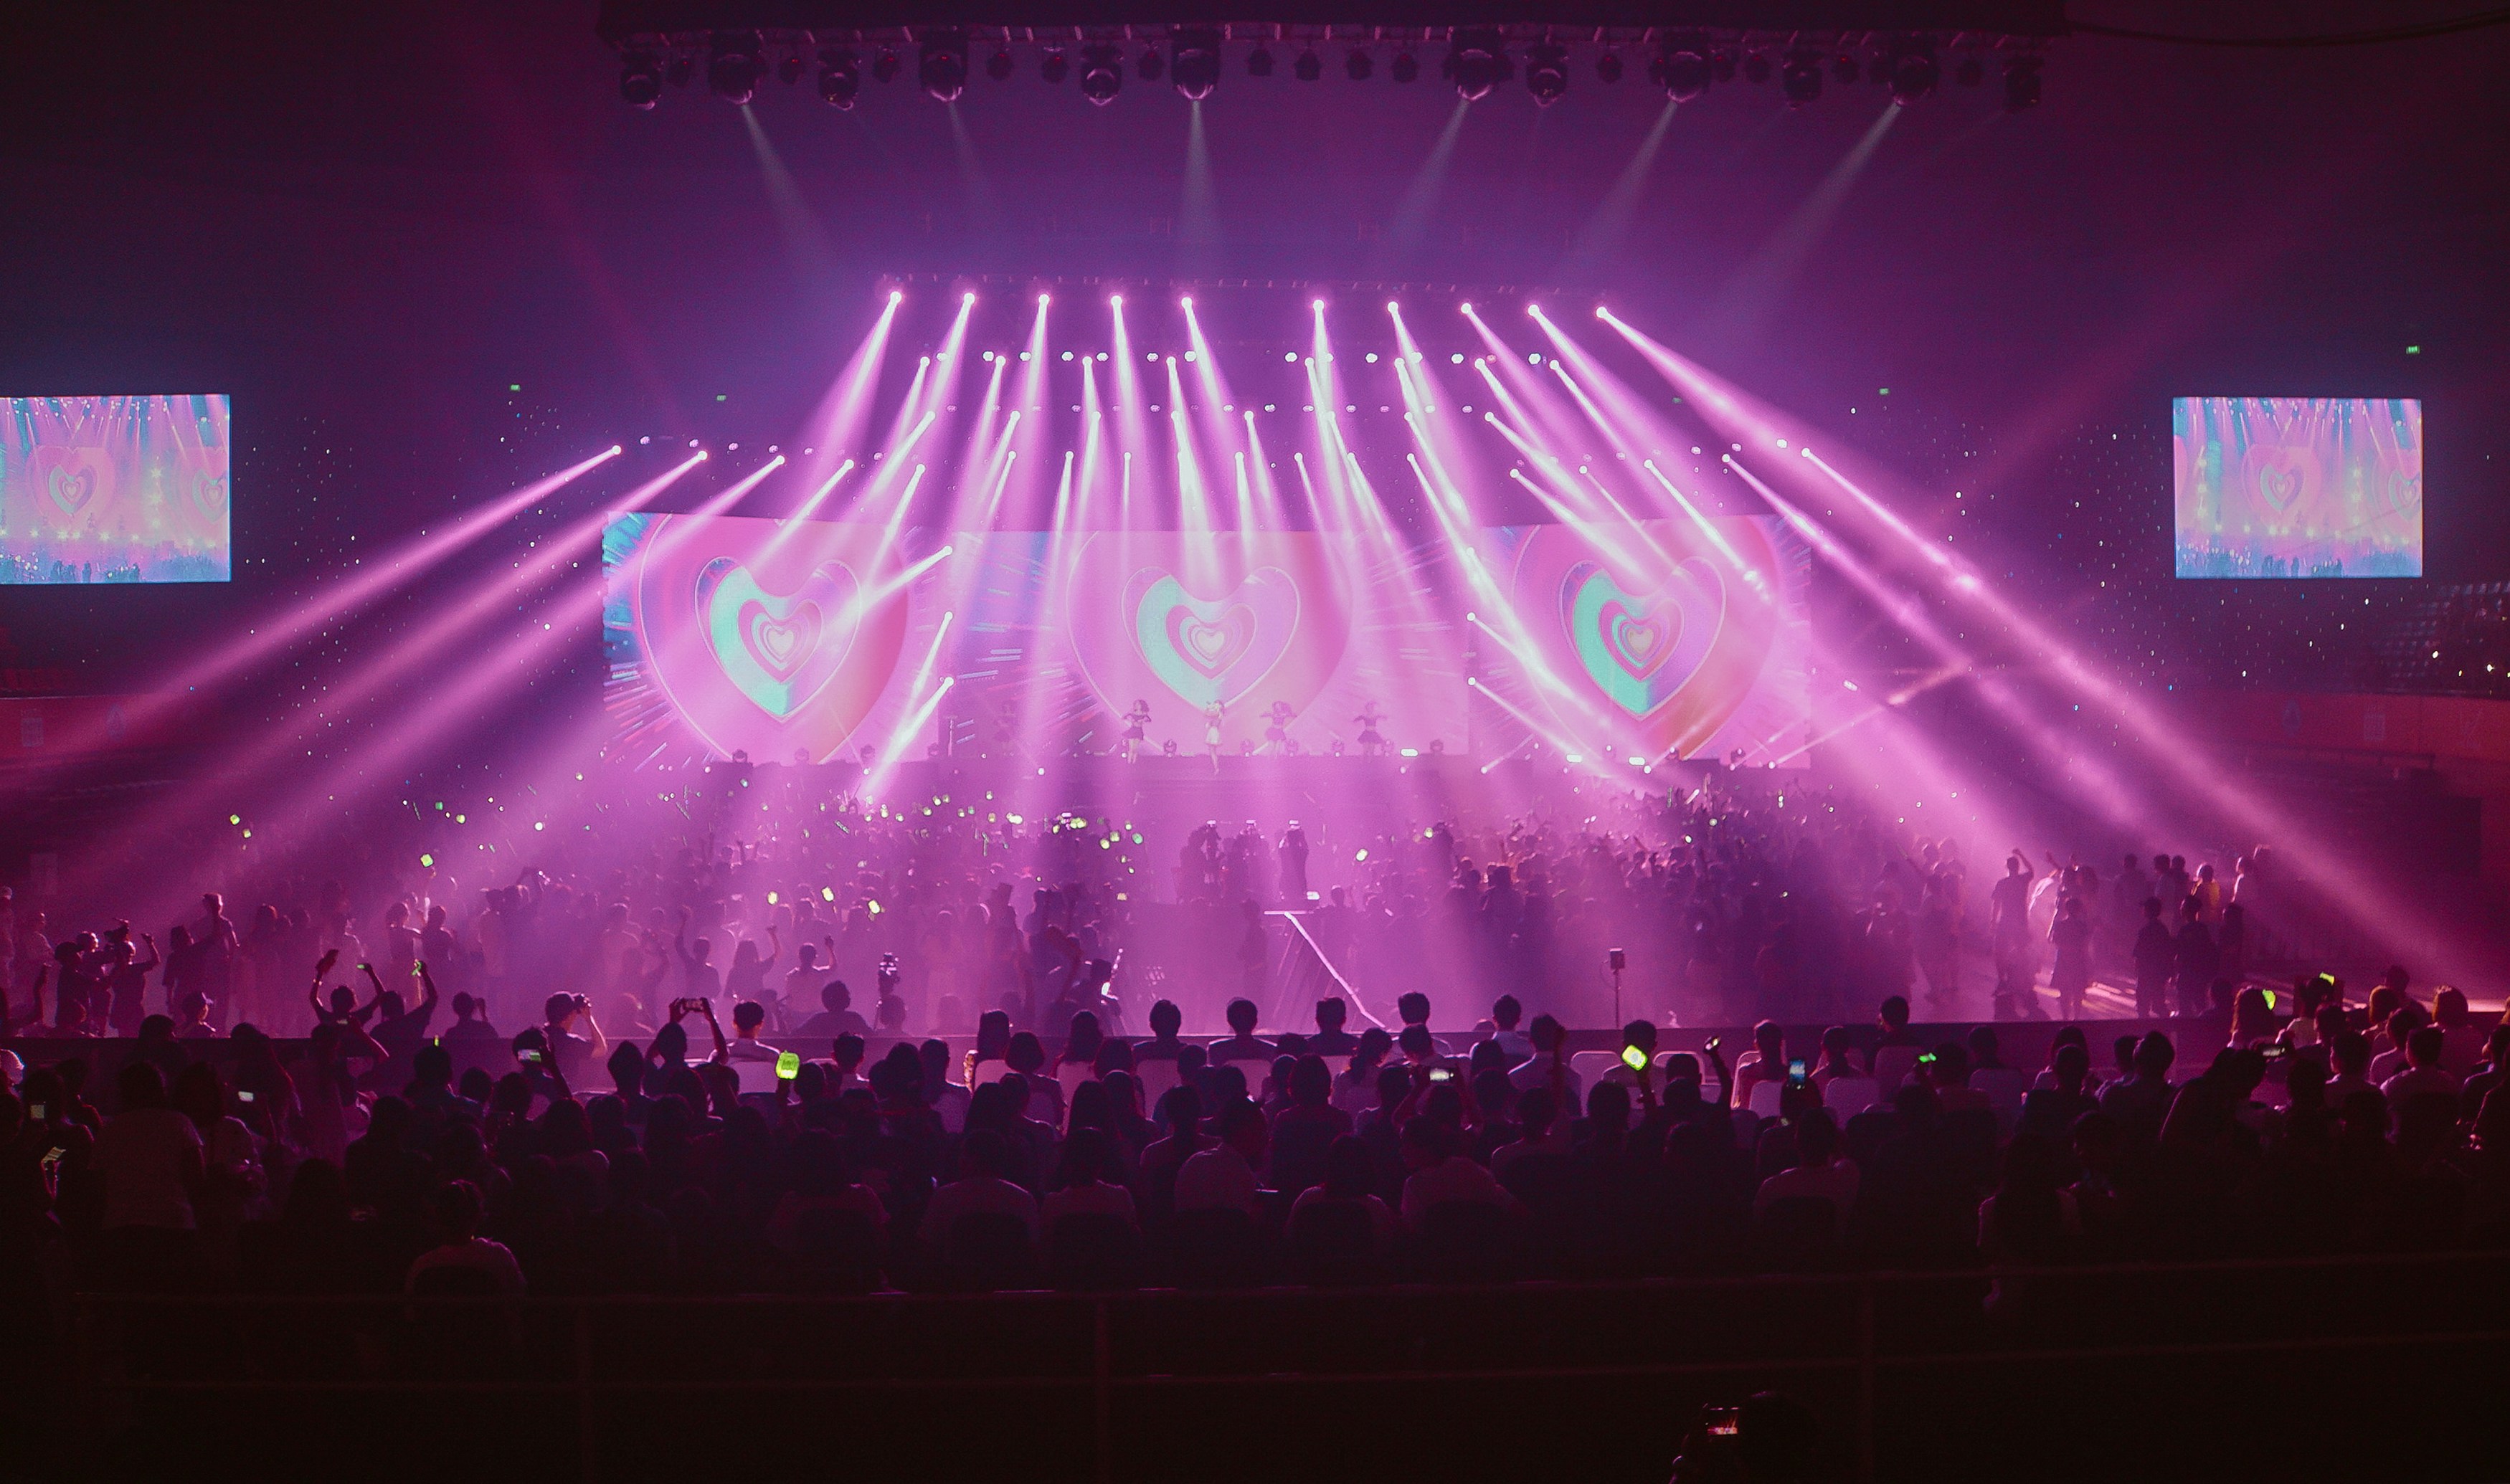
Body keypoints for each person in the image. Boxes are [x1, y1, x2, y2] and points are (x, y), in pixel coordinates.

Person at [92, 1061, 205, 1285]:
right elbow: (196, 1179)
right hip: (174, 1223)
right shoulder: (179, 1123)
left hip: (122, 1226)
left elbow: (98, 1183)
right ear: (160, 1089)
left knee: (131, 1301)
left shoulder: (112, 1129)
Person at [406, 1180, 524, 1294]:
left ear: (437, 1216)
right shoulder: (498, 1257)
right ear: (478, 1215)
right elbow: (519, 1301)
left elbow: (411, 1311)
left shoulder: (423, 1266)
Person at [1173, 1101, 1266, 1217]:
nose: (1267, 1141)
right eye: (1262, 1133)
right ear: (1246, 1133)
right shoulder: (1241, 1175)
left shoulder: (1193, 1164)